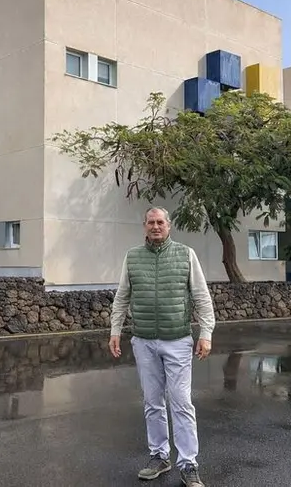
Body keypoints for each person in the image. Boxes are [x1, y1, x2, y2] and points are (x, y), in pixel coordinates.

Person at [108, 206, 215, 487]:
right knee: (152, 403)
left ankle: (189, 463)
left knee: (181, 402)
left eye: (160, 222)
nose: (156, 227)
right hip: (143, 341)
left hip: (178, 340)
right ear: (144, 226)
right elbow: (121, 298)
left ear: (169, 226)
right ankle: (159, 456)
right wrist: (115, 330)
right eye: (151, 222)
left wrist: (206, 333)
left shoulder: (185, 255)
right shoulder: (132, 257)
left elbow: (201, 296)